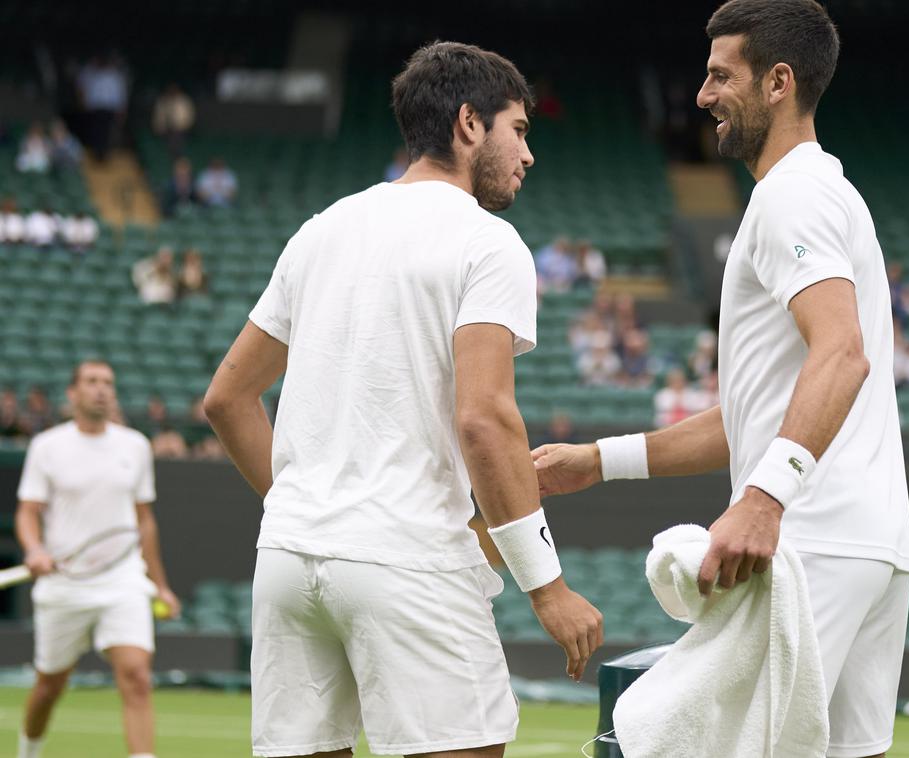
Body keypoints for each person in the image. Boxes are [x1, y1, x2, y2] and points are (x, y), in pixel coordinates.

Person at [532, 3, 909, 756]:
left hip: (811, 543)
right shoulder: (828, 193)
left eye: (719, 76)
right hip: (870, 547)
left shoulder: (790, 196)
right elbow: (749, 415)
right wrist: (598, 461)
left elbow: (842, 354)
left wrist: (765, 499)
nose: (702, 95)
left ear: (778, 82)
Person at [202, 41, 602, 758]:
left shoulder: (319, 230)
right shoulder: (490, 242)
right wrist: (548, 588)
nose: (528, 153)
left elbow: (227, 399)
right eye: (521, 129)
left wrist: (306, 502)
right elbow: (485, 419)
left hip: (290, 557)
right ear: (470, 123)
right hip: (407, 558)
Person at [13, 360, 181, 758]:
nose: (101, 389)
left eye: (108, 383)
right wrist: (35, 549)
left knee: (137, 676)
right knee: (49, 687)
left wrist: (160, 585)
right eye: (91, 382)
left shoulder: (135, 445)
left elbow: (145, 522)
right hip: (64, 587)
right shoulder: (47, 447)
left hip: (122, 580)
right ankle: (27, 753)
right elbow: (28, 511)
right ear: (72, 393)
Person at [151, 84, 195, 157]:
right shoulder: (163, 100)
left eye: (174, 90)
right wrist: (159, 127)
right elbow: (158, 117)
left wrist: (180, 126)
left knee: (176, 136)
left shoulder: (184, 100)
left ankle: (177, 155)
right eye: (170, 90)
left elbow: (189, 117)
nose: (172, 92)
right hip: (166, 129)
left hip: (181, 129)